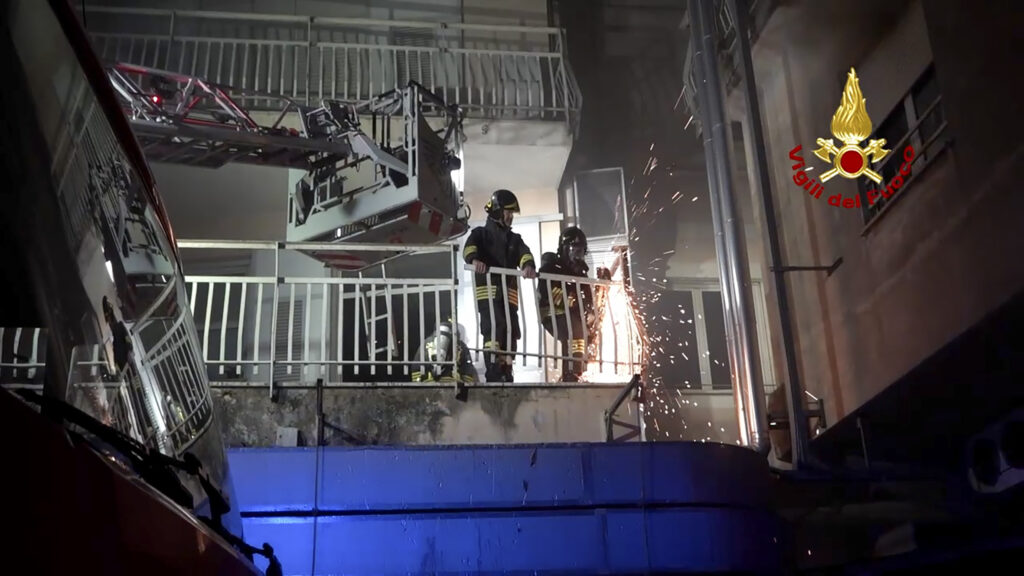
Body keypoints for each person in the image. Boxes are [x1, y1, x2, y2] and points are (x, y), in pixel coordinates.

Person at [462, 189, 537, 383]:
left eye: (512, 213)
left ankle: (506, 369)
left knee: (511, 331)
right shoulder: (480, 234)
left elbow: (525, 253)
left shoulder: (514, 239)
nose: (511, 217)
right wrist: (474, 260)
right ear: (497, 211)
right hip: (489, 291)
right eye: (508, 212)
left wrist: (528, 265)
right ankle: (493, 370)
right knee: (494, 327)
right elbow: (469, 248)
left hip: (509, 294)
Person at [537, 226, 600, 382]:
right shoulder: (552, 267)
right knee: (574, 330)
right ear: (564, 250)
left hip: (571, 314)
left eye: (580, 251)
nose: (577, 255)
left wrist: (590, 311)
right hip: (552, 312)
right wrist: (574, 302)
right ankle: (571, 373)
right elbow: (548, 293)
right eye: (574, 250)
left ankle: (579, 370)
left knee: (585, 332)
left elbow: (587, 298)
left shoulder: (580, 273)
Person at [411, 320, 478, 401]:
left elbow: (416, 368)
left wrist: (420, 388)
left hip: (430, 390)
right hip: (453, 389)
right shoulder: (461, 345)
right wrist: (465, 392)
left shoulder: (426, 343)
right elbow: (468, 370)